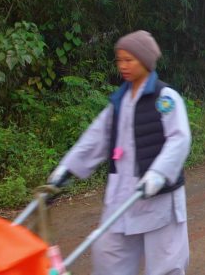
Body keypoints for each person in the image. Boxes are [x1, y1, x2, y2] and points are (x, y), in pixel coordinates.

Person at [47, 30, 191, 275]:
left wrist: (157, 174)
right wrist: (65, 170)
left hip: (158, 197)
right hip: (122, 195)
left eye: (129, 60)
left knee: (166, 264)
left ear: (145, 61)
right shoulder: (119, 101)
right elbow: (95, 139)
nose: (122, 66)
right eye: (119, 60)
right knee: (108, 259)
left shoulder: (165, 98)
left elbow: (179, 139)